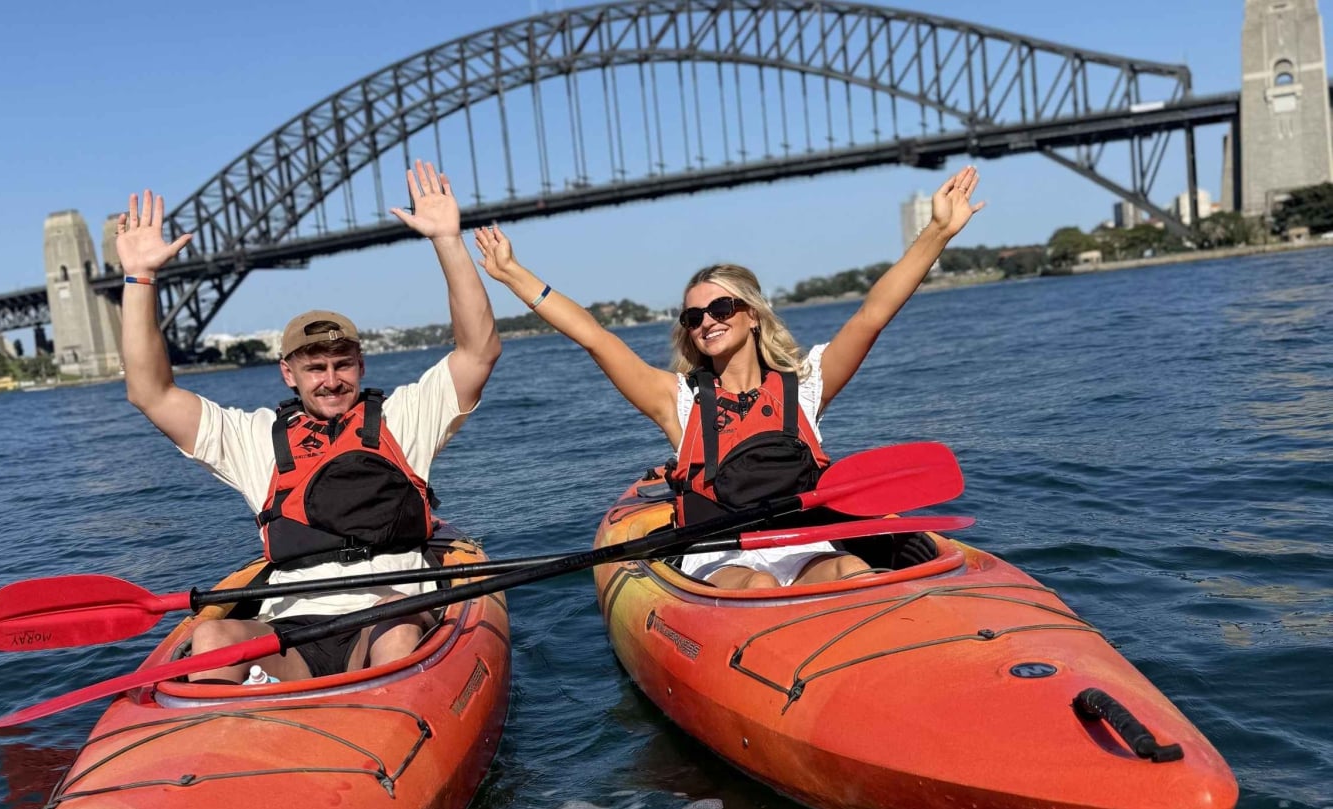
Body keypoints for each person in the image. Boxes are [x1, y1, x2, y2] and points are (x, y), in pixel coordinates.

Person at [475, 166, 984, 589]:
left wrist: (937, 231)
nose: (707, 321)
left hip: (802, 542)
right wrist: (514, 273)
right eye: (693, 317)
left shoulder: (804, 386)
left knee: (850, 570)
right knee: (759, 586)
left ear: (752, 314)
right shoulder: (675, 400)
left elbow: (873, 314)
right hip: (719, 555)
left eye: (720, 306)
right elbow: (595, 337)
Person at [115, 160, 501, 680]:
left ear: (361, 366)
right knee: (211, 636)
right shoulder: (254, 439)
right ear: (287, 374)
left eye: (343, 364)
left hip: (390, 620)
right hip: (293, 629)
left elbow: (478, 351)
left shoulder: (404, 418)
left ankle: (389, 733)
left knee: (399, 631)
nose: (331, 379)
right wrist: (140, 279)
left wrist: (447, 239)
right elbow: (151, 392)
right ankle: (219, 745)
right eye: (314, 367)